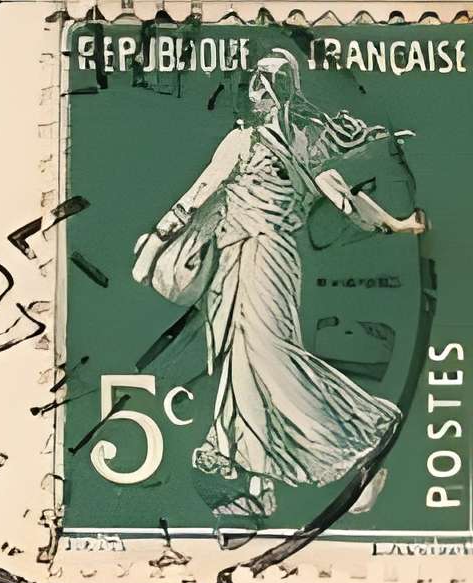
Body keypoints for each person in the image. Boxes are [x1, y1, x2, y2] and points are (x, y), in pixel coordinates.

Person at [132, 50, 429, 521]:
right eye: (259, 82)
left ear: (282, 90)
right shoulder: (249, 140)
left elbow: (345, 200)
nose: (261, 92)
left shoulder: (296, 141)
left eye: (268, 83)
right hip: (235, 259)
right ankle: (250, 467)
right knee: (240, 357)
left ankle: (349, 446)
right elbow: (200, 193)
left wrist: (396, 224)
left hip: (268, 258)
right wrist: (159, 237)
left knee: (269, 354)